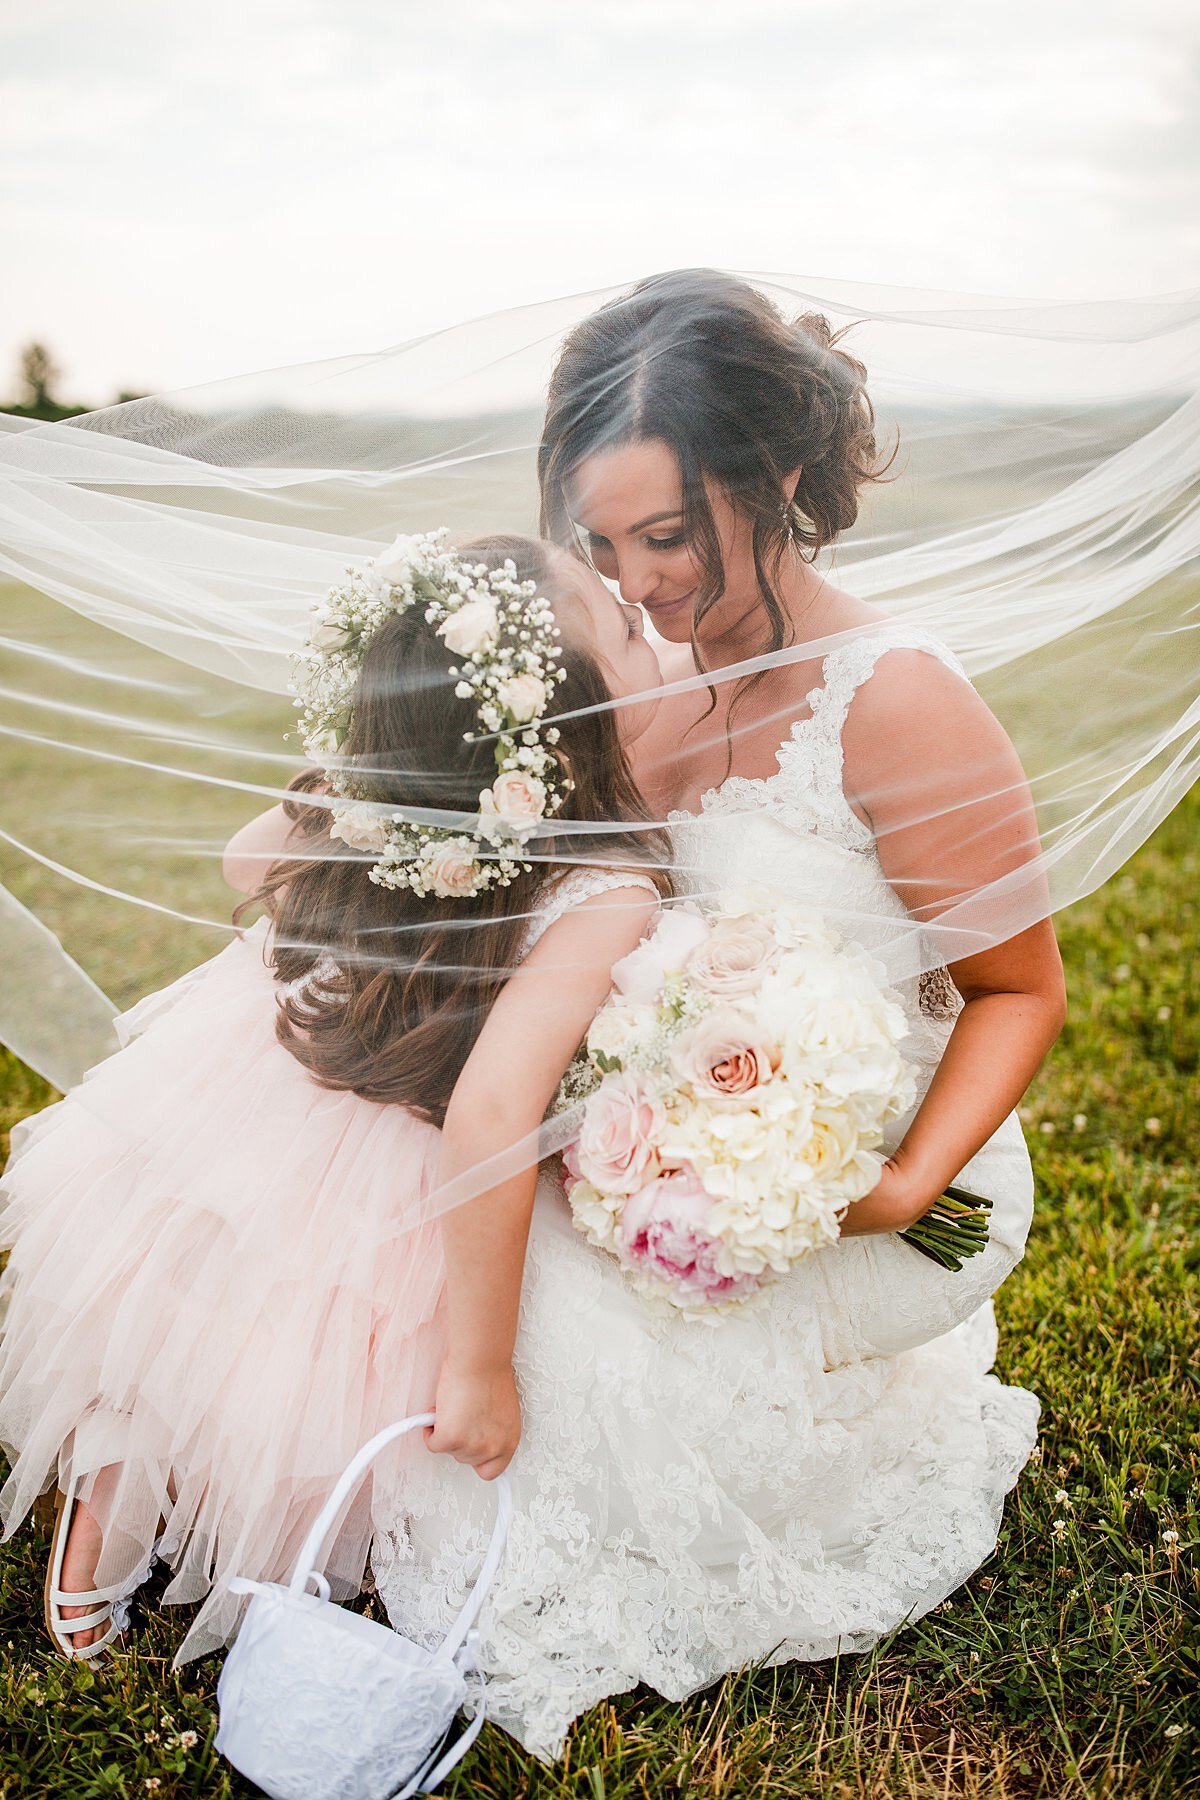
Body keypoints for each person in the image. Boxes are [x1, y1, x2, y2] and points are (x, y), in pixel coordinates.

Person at [364, 274, 1058, 1763]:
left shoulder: (898, 701)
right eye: (601, 544)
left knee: (546, 1336)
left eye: (666, 536)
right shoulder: (641, 683)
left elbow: (1020, 990)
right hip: (667, 1141)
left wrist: (898, 1185)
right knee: (424, 1227)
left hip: (874, 1178)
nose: (635, 584)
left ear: (783, 481)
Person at [0, 531, 666, 1663]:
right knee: (315, 1369)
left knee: (180, 1312)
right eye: (621, 624)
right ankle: (256, 1554)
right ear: (564, 721)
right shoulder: (606, 886)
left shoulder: (382, 814)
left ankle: (108, 1523)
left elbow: (243, 864)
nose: (646, 622)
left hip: (244, 1105)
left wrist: (372, 796)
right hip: (410, 1166)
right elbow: (494, 1114)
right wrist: (481, 1367)